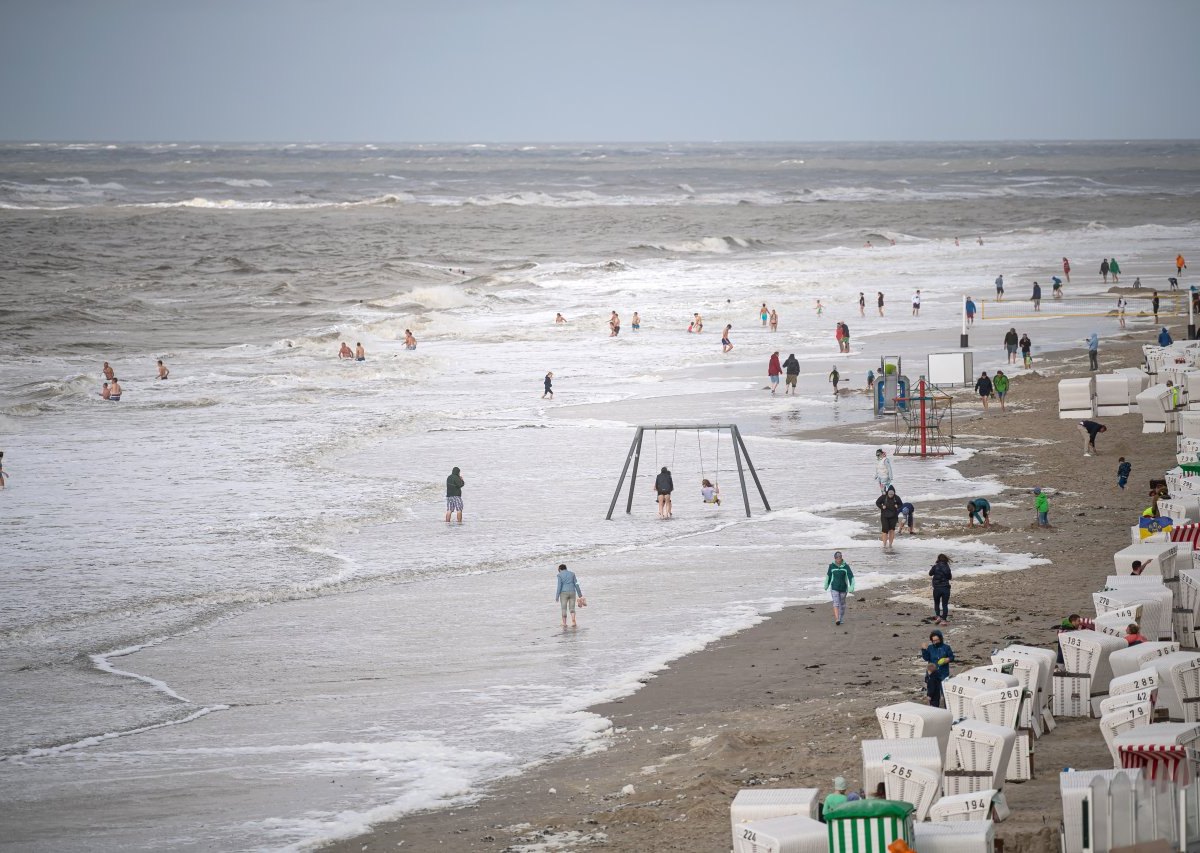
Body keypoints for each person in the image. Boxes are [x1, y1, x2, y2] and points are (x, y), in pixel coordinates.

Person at [824, 551, 855, 625]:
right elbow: (828, 576)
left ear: (841, 557)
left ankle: (840, 618)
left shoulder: (846, 566)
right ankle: (837, 619)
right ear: (835, 558)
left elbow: (851, 577)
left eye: (840, 557)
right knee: (836, 603)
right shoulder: (831, 566)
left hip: (843, 589)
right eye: (837, 557)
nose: (838, 559)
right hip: (834, 587)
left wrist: (851, 587)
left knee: (842, 604)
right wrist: (826, 585)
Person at [555, 564, 583, 628]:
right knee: (572, 608)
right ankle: (573, 621)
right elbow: (576, 583)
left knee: (564, 608)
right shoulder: (572, 574)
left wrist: (557, 596)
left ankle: (564, 623)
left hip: (563, 593)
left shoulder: (559, 575)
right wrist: (580, 594)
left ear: (560, 569)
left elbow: (559, 586)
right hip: (572, 592)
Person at [876, 485, 903, 549]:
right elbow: (877, 502)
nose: (891, 495)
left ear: (894, 493)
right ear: (887, 492)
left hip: (893, 516)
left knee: (891, 530)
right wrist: (882, 506)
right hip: (884, 516)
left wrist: (897, 506)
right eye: (889, 494)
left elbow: (901, 504)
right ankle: (884, 545)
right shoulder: (883, 497)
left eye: (892, 494)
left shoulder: (896, 497)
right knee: (885, 530)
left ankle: (890, 545)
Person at [929, 553, 952, 624]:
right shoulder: (947, 567)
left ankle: (938, 617)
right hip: (945, 588)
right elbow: (950, 577)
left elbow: (930, 574)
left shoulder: (935, 566)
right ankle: (944, 620)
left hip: (937, 588)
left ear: (938, 559)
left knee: (937, 603)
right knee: (945, 604)